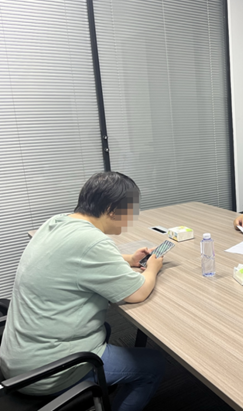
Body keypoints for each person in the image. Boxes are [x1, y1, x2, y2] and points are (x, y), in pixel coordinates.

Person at [0, 172, 165, 411]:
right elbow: (137, 292)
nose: (132, 218)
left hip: (17, 355)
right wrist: (153, 268)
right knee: (154, 365)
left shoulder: (56, 222)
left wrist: (129, 259)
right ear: (111, 210)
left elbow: (77, 257)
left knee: (105, 328)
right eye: (131, 211)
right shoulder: (93, 241)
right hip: (46, 371)